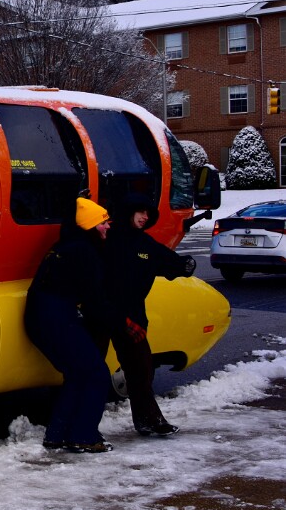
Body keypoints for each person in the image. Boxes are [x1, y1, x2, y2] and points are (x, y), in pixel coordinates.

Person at [24, 197, 117, 453]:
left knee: (77, 374)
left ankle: (57, 435)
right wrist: (119, 322)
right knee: (97, 374)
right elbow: (94, 299)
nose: (108, 226)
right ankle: (84, 436)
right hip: (57, 318)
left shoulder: (63, 246)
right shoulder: (85, 251)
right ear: (89, 225)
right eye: (103, 222)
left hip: (39, 317)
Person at [102, 192, 197, 437]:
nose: (145, 217)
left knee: (141, 369)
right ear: (127, 212)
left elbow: (167, 261)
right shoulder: (106, 239)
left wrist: (184, 265)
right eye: (141, 212)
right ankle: (79, 428)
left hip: (132, 321)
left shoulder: (144, 243)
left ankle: (150, 420)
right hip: (102, 315)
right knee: (91, 372)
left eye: (148, 214)